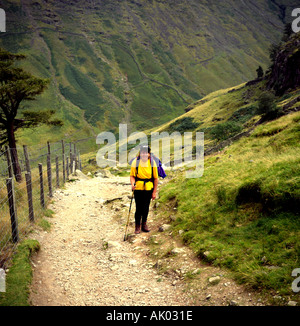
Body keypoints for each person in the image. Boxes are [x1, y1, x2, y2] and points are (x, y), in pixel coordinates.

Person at [130, 145, 158, 234]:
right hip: (138, 187)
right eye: (143, 152)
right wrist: (132, 184)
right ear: (140, 153)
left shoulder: (152, 163)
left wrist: (154, 192)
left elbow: (156, 179)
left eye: (146, 152)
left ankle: (144, 224)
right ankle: (137, 226)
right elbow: (132, 176)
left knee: (146, 207)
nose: (144, 154)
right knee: (139, 208)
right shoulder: (136, 162)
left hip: (149, 187)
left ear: (149, 154)